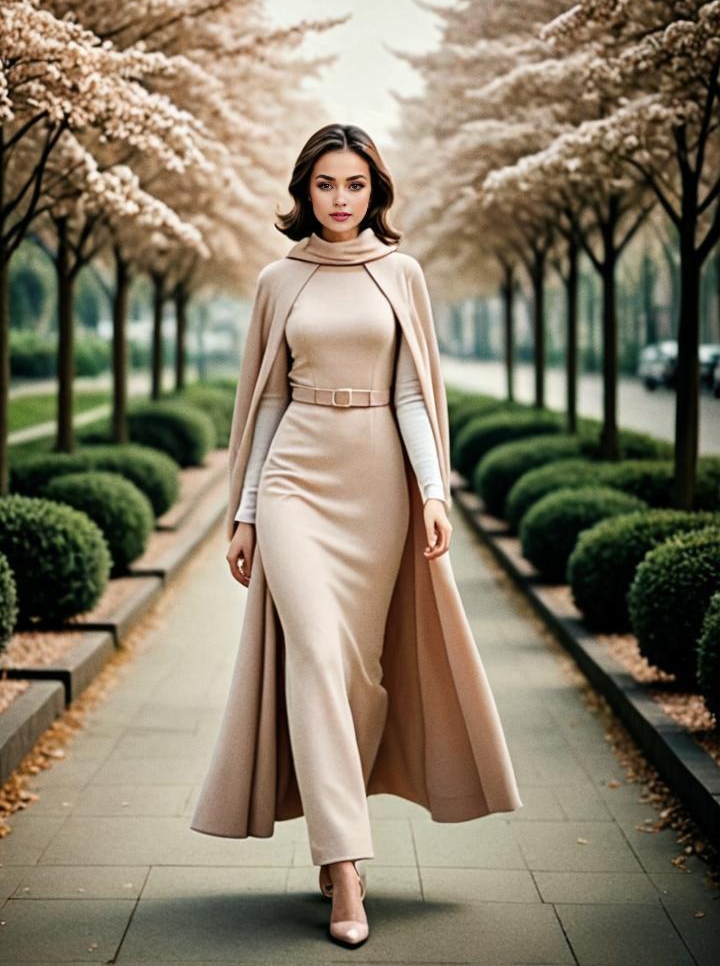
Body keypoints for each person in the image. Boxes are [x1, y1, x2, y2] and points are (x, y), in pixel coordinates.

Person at [190, 123, 522, 949]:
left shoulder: (399, 275)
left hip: (379, 482)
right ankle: (344, 867)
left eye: (356, 186)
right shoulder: (280, 279)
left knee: (359, 671)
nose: (340, 200)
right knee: (312, 652)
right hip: (297, 475)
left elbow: (414, 394)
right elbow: (267, 400)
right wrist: (247, 511)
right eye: (326, 185)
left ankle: (343, 823)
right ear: (304, 191)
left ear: (376, 193)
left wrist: (434, 494)